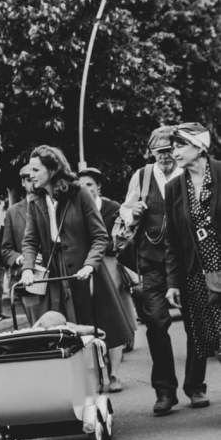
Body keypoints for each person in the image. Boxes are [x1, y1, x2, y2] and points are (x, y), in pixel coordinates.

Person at [20, 145, 130, 354]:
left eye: (36, 170)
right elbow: (30, 241)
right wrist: (27, 268)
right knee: (64, 329)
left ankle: (111, 374)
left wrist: (90, 265)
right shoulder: (35, 200)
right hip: (56, 273)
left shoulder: (78, 193)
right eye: (29, 170)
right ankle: (82, 377)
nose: (30, 175)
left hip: (85, 269)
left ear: (52, 169)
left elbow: (100, 236)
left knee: (102, 326)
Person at [119, 127, 182, 415]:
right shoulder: (142, 176)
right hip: (151, 261)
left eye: (169, 150)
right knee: (156, 324)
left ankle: (195, 385)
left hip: (186, 261)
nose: (166, 157)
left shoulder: (186, 172)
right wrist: (135, 211)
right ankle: (165, 390)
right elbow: (125, 210)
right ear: (151, 153)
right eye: (160, 153)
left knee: (197, 324)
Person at [163, 123, 220, 411]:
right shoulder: (174, 187)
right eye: (173, 146)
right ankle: (195, 386)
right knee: (200, 334)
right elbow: (172, 241)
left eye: (180, 145)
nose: (174, 152)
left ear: (199, 147)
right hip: (195, 273)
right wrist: (172, 282)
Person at [78, 167, 137, 392]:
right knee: (89, 322)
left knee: (114, 322)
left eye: (90, 184)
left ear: (98, 186)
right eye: (81, 185)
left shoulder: (112, 208)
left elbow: (122, 239)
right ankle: (96, 373)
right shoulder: (75, 208)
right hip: (86, 270)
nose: (85, 189)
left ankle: (114, 375)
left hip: (111, 266)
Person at [1, 163, 41, 325]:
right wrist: (22, 259)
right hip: (29, 281)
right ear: (23, 183)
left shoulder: (54, 205)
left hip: (55, 276)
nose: (31, 182)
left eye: (33, 178)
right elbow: (6, 250)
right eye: (27, 179)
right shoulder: (13, 212)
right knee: (37, 327)